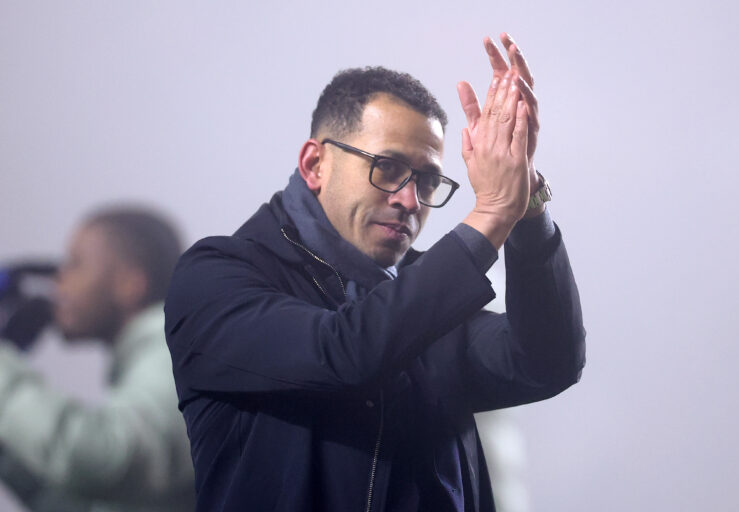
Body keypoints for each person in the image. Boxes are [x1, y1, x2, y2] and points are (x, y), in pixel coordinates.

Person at [165, 33, 586, 512]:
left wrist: (526, 200)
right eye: (387, 168)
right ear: (314, 163)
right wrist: (491, 211)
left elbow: (547, 363)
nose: (409, 200)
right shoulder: (216, 276)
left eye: (427, 180)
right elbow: (343, 353)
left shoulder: (427, 292)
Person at [0, 207, 196, 512]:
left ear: (129, 284)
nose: (58, 280)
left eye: (75, 263)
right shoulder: (155, 357)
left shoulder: (175, 351)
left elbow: (99, 459)